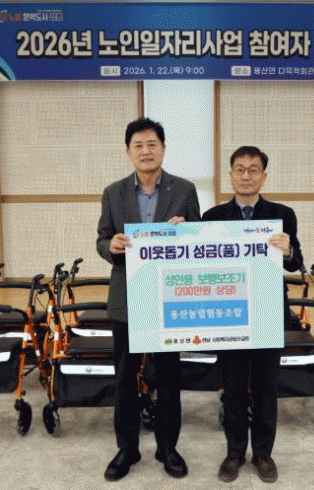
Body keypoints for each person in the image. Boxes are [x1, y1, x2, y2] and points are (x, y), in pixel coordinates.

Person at [97, 117, 201, 481]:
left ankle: (167, 447)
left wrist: (186, 233)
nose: (146, 151)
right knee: (125, 378)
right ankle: (127, 448)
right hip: (127, 298)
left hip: (169, 298)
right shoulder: (113, 193)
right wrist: (110, 245)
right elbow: (102, 238)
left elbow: (198, 237)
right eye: (138, 145)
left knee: (168, 377)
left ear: (163, 149)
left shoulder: (184, 190)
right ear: (128, 152)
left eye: (152, 144)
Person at [201, 146, 303, 484]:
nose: (246, 176)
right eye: (240, 169)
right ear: (231, 175)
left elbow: (296, 263)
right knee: (232, 388)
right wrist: (176, 232)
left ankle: (263, 453)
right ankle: (234, 453)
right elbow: (197, 259)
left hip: (267, 311)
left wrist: (288, 250)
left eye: (253, 170)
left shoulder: (282, 214)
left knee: (265, 389)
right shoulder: (212, 217)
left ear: (264, 176)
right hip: (229, 313)